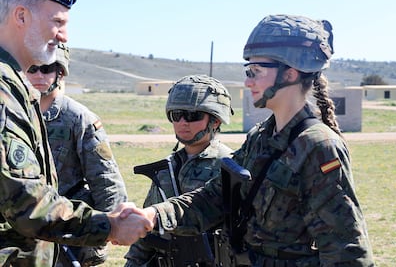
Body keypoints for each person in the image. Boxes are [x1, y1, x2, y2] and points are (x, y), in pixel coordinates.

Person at [129, 14, 375, 266]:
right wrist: (153, 214)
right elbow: (214, 197)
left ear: (290, 74)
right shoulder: (261, 138)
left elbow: (346, 249)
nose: (248, 81)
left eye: (256, 71)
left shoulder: (318, 147)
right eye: (248, 71)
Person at [0, 0, 151, 266]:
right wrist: (109, 225)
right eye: (57, 21)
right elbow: (27, 203)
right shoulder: (4, 92)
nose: (64, 35)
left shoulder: (15, 85)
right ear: (20, 15)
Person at [25, 43, 129, 267]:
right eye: (32, 68)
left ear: (59, 72)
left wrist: (112, 228)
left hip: (67, 231)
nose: (38, 75)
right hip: (21, 230)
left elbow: (105, 180)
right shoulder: (15, 114)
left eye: (46, 68)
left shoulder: (78, 118)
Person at [124, 74, 234, 266]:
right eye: (177, 115)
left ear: (215, 121)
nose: (183, 122)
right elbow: (146, 234)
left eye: (193, 116)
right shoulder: (167, 168)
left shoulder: (229, 166)